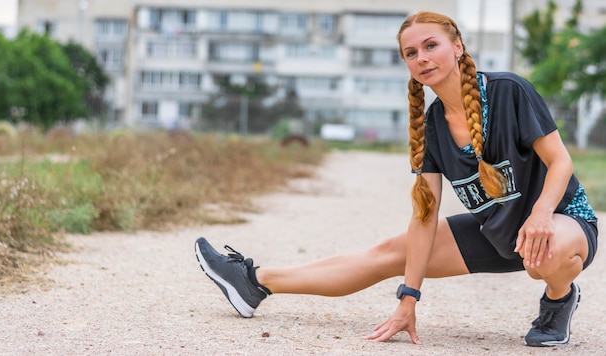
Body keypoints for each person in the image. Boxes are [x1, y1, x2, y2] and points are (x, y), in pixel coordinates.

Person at [194, 11, 598, 347]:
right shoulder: (431, 126)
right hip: (499, 233)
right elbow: (424, 216)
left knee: (543, 255)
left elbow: (561, 162)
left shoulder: (509, 91)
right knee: (389, 252)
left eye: (431, 45)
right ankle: (253, 282)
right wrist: (409, 298)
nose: (421, 57)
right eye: (411, 52)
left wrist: (542, 212)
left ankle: (558, 300)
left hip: (564, 222)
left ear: (457, 47)